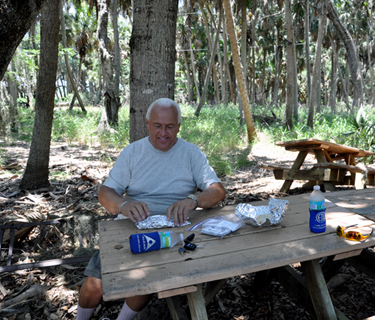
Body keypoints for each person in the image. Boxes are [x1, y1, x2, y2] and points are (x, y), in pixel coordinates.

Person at [76, 98, 226, 320]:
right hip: (131, 227)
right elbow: (105, 193)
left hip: (175, 232)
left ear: (178, 127)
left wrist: (193, 200)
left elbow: (218, 191)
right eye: (157, 126)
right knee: (94, 283)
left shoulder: (192, 153)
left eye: (170, 126)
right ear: (147, 124)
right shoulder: (133, 152)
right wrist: (124, 205)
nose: (163, 133)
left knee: (143, 282)